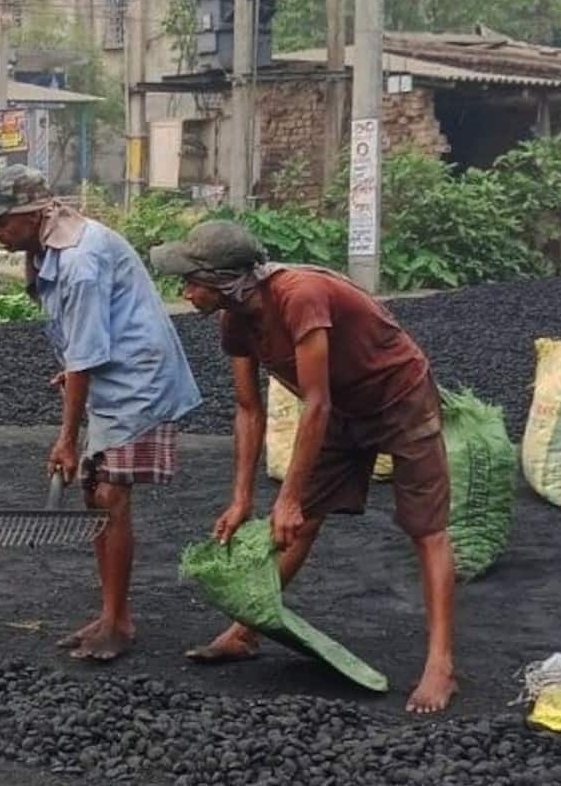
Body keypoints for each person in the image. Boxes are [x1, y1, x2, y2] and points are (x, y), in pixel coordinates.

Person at [151, 219, 459, 714]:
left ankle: (441, 664)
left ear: (227, 281)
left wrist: (288, 496)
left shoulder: (300, 296)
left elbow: (316, 403)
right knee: (299, 523)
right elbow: (249, 409)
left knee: (426, 529)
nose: (185, 293)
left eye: (192, 282)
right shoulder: (235, 320)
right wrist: (242, 499)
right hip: (340, 409)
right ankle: (245, 632)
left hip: (399, 398)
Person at [0, 164, 200, 662]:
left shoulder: (80, 260)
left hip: (138, 379)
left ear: (34, 214)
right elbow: (82, 346)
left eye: (1, 221)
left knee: (110, 494)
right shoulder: (47, 247)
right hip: (112, 373)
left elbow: (85, 354)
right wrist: (76, 378)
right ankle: (113, 614)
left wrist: (67, 439)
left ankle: (117, 623)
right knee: (96, 493)